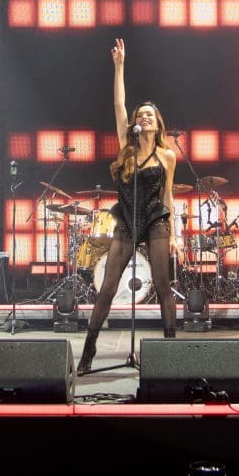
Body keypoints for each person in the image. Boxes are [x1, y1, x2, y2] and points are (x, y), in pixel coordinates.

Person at [77, 39, 182, 374]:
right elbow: (119, 104)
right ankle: (89, 350)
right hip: (126, 219)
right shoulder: (127, 146)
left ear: (158, 122)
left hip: (156, 220)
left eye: (150, 115)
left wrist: (175, 234)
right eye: (141, 115)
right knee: (108, 287)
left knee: (163, 286)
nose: (144, 118)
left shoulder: (167, 156)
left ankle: (170, 353)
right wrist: (119, 66)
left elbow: (168, 196)